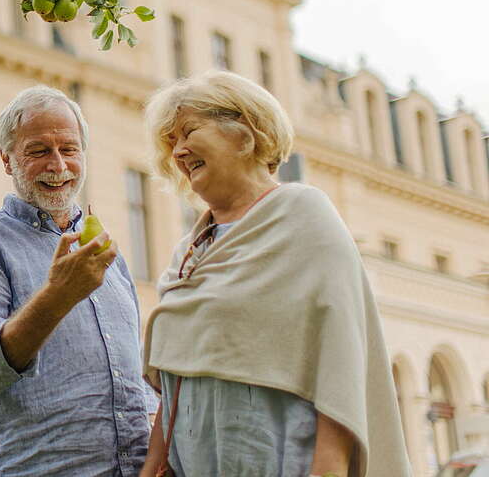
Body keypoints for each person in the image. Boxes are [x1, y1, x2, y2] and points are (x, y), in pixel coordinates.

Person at [138, 71, 410, 477]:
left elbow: (340, 360)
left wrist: (329, 470)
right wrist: (153, 466)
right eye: (171, 141)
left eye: (189, 131)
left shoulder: (304, 216)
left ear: (243, 133)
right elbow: (177, 375)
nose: (178, 150)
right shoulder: (188, 252)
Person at [0, 85, 156, 477]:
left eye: (69, 149)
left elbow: (133, 377)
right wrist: (58, 296)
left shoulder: (106, 249)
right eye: (39, 151)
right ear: (7, 160)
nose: (58, 165)